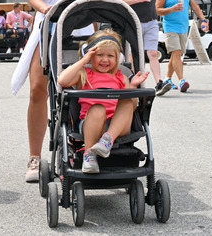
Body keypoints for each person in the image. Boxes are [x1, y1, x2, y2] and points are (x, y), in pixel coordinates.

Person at [11, 0, 105, 183]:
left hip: (83, 31)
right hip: (48, 27)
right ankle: (34, 156)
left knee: (80, 89)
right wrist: (46, 9)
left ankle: (81, 147)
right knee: (38, 90)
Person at [57, 29, 148, 174]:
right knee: (98, 108)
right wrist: (83, 61)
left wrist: (132, 86)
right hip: (91, 123)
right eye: (99, 55)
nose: (105, 60)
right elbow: (62, 80)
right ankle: (89, 155)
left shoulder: (121, 77)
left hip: (118, 126)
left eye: (110, 56)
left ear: (117, 58)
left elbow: (133, 106)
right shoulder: (84, 74)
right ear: (90, 55)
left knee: (127, 101)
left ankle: (107, 140)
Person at [116, 0, 195, 96]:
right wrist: (137, 0)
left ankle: (159, 83)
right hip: (135, 23)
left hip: (151, 22)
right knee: (135, 54)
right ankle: (134, 81)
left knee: (152, 52)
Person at [155, 0, 206, 92]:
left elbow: (194, 5)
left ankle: (167, 78)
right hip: (170, 27)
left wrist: (203, 19)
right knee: (177, 52)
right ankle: (182, 81)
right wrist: (172, 9)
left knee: (175, 55)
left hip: (183, 28)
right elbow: (157, 10)